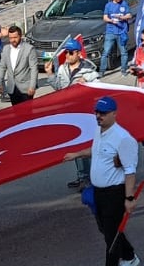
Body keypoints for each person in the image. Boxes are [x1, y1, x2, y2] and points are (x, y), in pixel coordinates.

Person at [63, 96, 141, 266]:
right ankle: (130, 256)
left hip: (114, 193)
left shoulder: (124, 139)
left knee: (111, 237)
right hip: (98, 192)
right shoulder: (99, 131)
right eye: (97, 112)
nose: (98, 116)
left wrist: (129, 198)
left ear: (114, 114)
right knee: (106, 229)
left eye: (103, 113)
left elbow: (130, 171)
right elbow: (95, 150)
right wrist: (76, 154)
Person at [45, 38, 99, 189]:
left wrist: (87, 85)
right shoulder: (62, 69)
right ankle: (82, 175)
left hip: (85, 115)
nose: (67, 56)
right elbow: (59, 88)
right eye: (66, 53)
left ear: (78, 53)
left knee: (85, 148)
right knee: (75, 148)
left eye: (70, 53)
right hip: (70, 114)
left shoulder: (89, 72)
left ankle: (89, 178)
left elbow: (99, 90)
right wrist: (50, 75)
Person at [0, 26, 38, 105]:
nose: (13, 40)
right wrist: (0, 83)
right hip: (12, 87)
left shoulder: (29, 49)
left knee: (27, 113)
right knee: (16, 113)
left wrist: (32, 86)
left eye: (15, 37)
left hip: (26, 88)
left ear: (20, 36)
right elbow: (2, 67)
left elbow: (34, 69)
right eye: (10, 38)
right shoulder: (6, 49)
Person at [99, 0, 132, 77]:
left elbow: (129, 15)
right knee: (106, 52)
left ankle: (124, 69)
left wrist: (123, 17)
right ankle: (102, 71)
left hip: (122, 32)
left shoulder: (124, 4)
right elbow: (105, 17)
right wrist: (111, 20)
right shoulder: (108, 5)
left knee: (124, 52)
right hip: (110, 32)